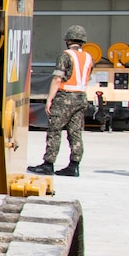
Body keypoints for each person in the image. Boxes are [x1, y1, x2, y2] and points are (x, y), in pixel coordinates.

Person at [28, 24, 95, 177]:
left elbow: (57, 78)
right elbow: (88, 77)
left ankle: (48, 163)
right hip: (81, 97)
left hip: (65, 97)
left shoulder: (65, 55)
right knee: (75, 132)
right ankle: (74, 165)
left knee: (54, 130)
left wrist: (49, 99)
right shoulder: (89, 57)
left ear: (68, 40)